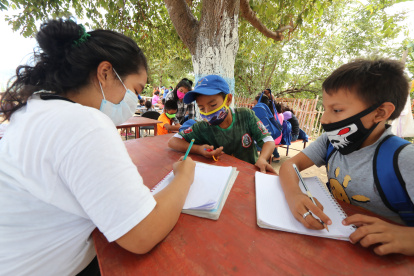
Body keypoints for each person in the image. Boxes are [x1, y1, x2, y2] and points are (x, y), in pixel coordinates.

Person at [0, 18, 196, 275]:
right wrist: (184, 177)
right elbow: (143, 234)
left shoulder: (37, 107)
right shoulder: (85, 124)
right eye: (135, 91)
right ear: (105, 73)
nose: (135, 101)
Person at [279, 58, 414, 256]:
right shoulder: (330, 141)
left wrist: (408, 237)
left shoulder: (404, 159)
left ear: (380, 113)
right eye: (325, 109)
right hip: (334, 246)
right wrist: (294, 195)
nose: (324, 119)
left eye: (337, 110)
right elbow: (289, 165)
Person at [168, 75, 276, 173]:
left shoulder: (245, 115)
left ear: (228, 100)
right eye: (201, 108)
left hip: (248, 173)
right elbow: (173, 141)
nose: (207, 112)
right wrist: (199, 149)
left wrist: (262, 159)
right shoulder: (202, 127)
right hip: (219, 177)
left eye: (213, 105)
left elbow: (268, 141)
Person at [254, 94, 283, 163]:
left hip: (264, 144)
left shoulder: (259, 114)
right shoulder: (270, 113)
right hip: (273, 139)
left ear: (259, 104)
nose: (254, 106)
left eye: (254, 104)